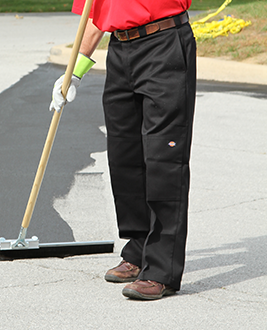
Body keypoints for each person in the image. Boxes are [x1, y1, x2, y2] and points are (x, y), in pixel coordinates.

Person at [50, 0, 196, 300]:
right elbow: (96, 15)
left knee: (163, 158)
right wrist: (74, 71)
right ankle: (139, 249)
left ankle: (160, 270)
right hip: (120, 50)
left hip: (164, 44)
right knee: (124, 156)